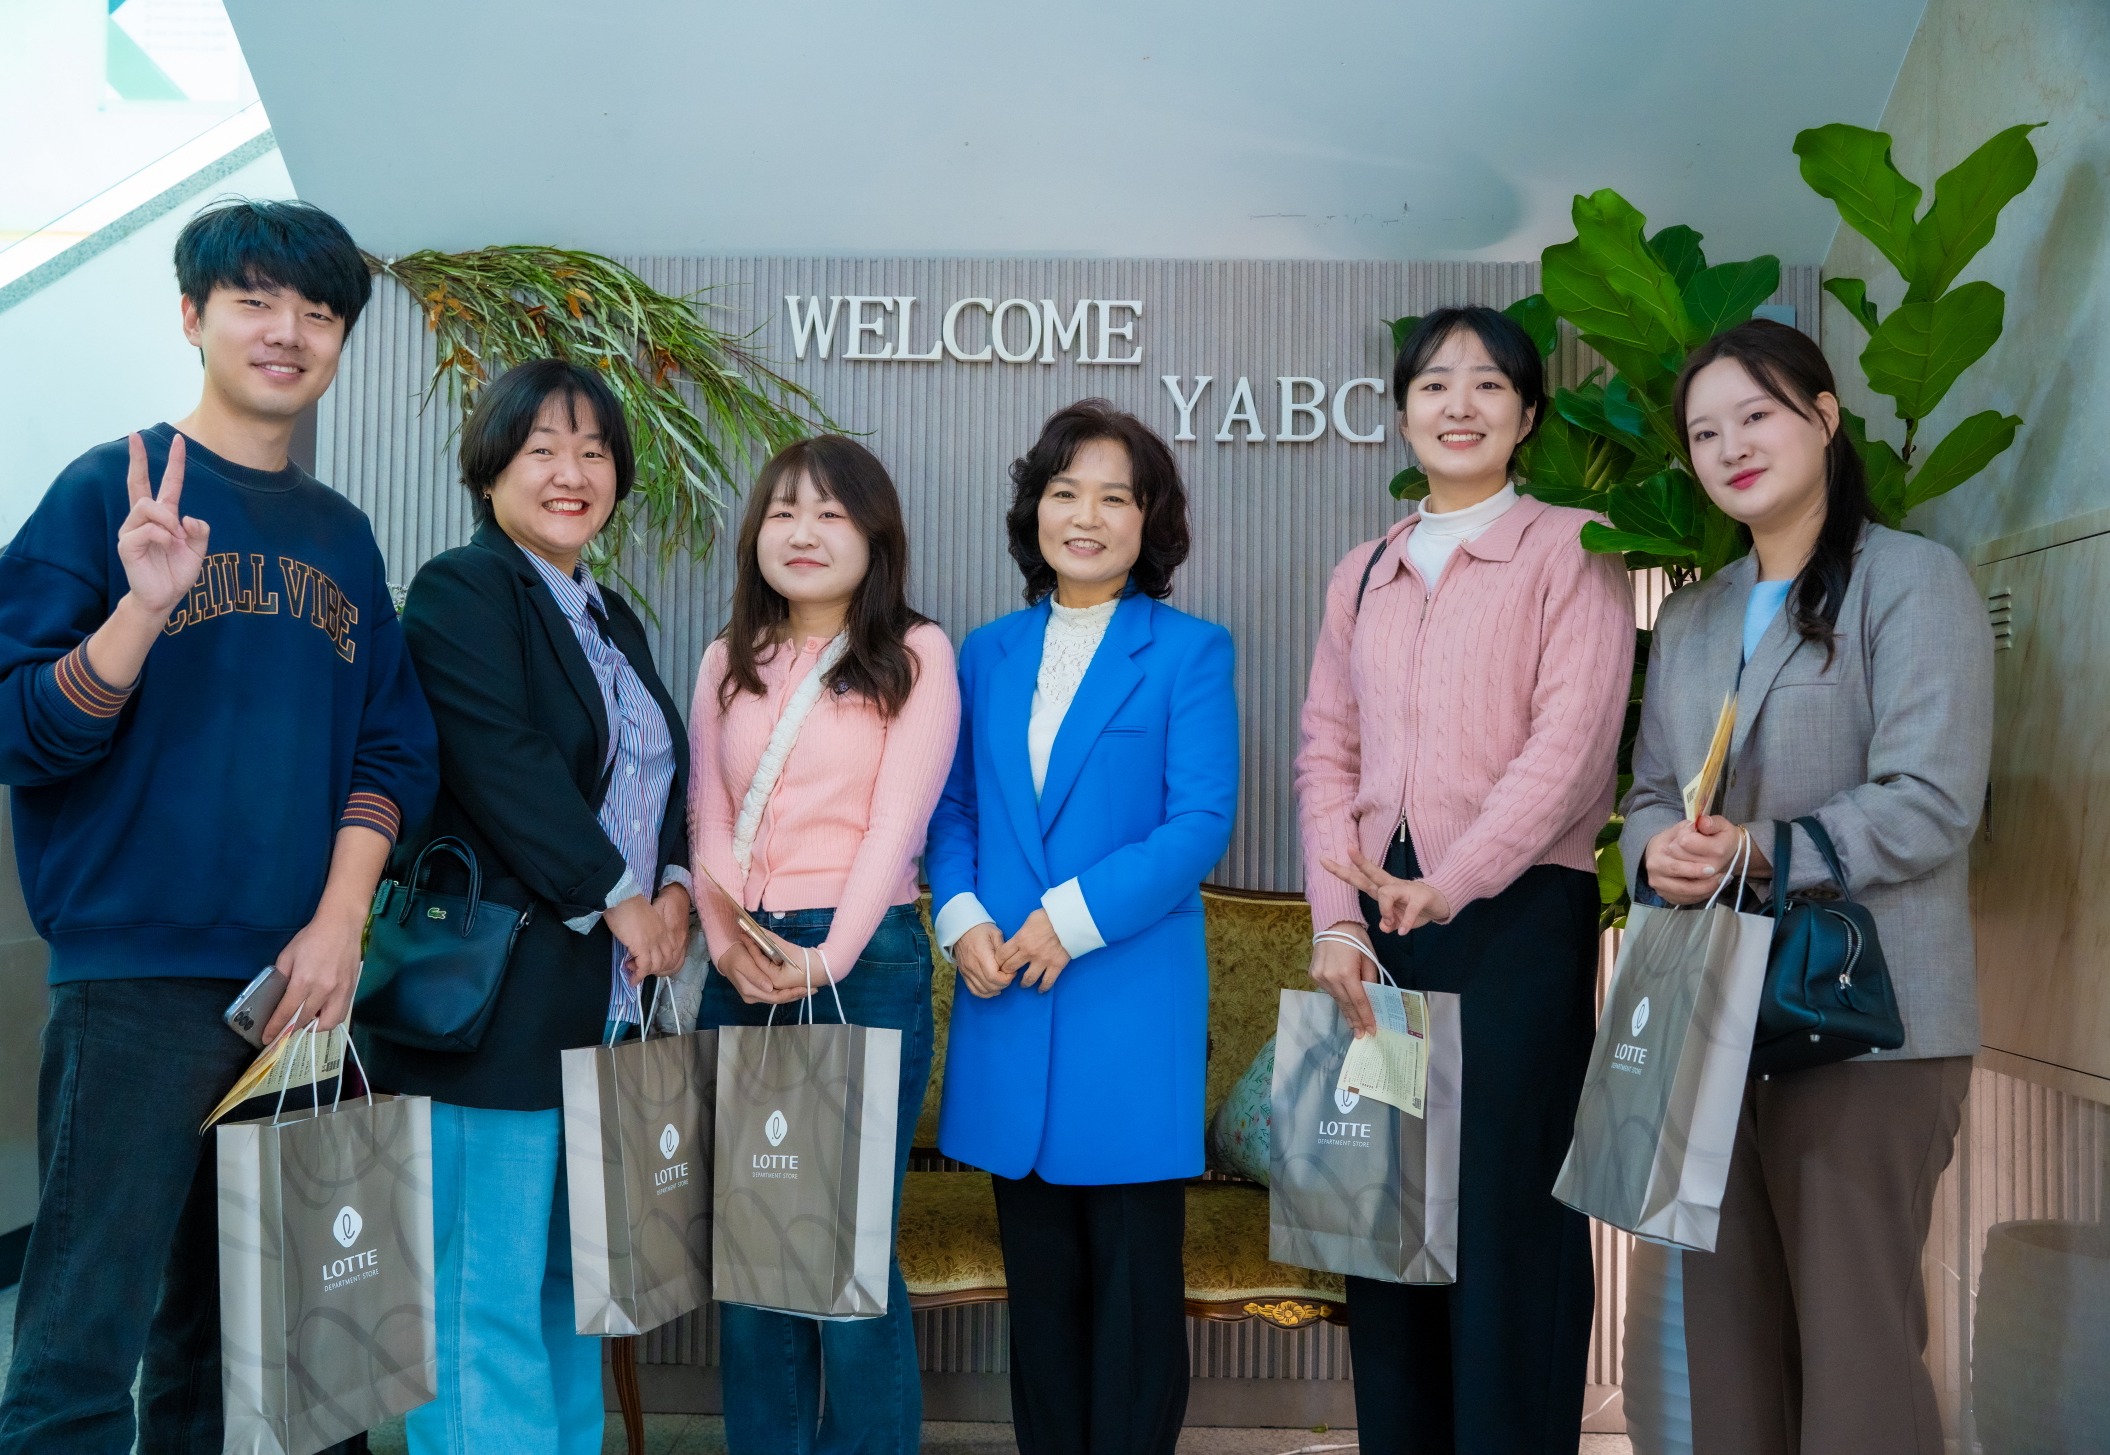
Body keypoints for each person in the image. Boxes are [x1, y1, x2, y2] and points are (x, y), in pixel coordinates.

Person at [0, 198, 438, 1455]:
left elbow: (392, 750)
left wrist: (339, 928)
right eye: (254, 302)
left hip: (300, 995)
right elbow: (4, 730)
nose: (288, 332)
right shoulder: (100, 493)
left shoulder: (341, 535)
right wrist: (141, 609)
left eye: (318, 312)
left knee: (262, 1357)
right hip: (136, 986)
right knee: (81, 1349)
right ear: (192, 316)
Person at [1622, 319, 1991, 1455]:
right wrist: (1657, 852)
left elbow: (1932, 799)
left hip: (1868, 1019)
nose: (1731, 446)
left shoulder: (1913, 581)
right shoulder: (1690, 616)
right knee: (1727, 1343)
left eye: (1757, 415)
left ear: (1825, 418)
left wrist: (1759, 849)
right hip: (1710, 1010)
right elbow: (1649, 793)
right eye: (1705, 433)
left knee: (1854, 1349)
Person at [1296, 306, 1634, 1452]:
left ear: (1527, 415)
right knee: (1386, 1214)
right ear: (1401, 413)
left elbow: (1571, 745)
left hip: (1515, 923)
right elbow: (1326, 753)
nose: (1459, 404)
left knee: (1501, 1217)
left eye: (1489, 384)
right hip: (1382, 933)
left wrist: (1455, 877)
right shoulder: (1363, 572)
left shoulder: (1570, 547)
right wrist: (1339, 923)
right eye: (1435, 384)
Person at [366, 359, 693, 1454]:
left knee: (565, 1291)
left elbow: (659, 778)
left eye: (594, 452)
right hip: (492, 1009)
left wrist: (676, 888)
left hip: (601, 1008)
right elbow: (501, 761)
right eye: (543, 448)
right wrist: (620, 898)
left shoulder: (611, 617)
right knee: (480, 1299)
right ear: (491, 467)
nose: (572, 473)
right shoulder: (465, 587)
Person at [926, 398, 1239, 1455]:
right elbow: (954, 808)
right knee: (1044, 1300)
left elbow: (1199, 822)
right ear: (1035, 512)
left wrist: (1066, 918)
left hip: (1126, 1007)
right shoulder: (986, 653)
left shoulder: (1190, 652)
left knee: (1133, 1300)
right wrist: (961, 916)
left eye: (1115, 497)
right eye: (1066, 493)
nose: (1088, 517)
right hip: (1006, 996)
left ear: (1151, 521)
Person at [689, 434, 957, 1455]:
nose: (803, 533)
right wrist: (725, 944)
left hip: (862, 958)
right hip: (743, 957)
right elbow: (708, 814)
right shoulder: (728, 656)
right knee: (751, 1250)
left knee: (845, 1255)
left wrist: (826, 960)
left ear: (875, 536)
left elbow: (897, 826)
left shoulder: (916, 654)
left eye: (831, 514)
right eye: (784, 512)